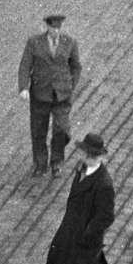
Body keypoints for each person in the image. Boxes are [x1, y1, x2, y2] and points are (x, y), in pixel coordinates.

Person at [45, 133, 115, 264]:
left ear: (98, 157)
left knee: (83, 259)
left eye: (91, 155)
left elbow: (106, 215)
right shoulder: (82, 169)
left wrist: (90, 231)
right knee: (66, 252)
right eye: (86, 154)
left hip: (86, 228)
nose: (86, 158)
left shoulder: (103, 184)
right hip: (73, 221)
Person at [18, 11, 83, 176]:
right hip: (40, 93)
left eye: (58, 28)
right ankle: (40, 164)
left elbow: (76, 66)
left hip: (62, 95)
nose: (56, 31)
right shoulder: (34, 43)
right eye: (53, 28)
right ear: (47, 27)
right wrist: (23, 87)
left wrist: (71, 85)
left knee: (62, 129)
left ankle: (57, 162)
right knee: (38, 130)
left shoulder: (70, 42)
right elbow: (25, 65)